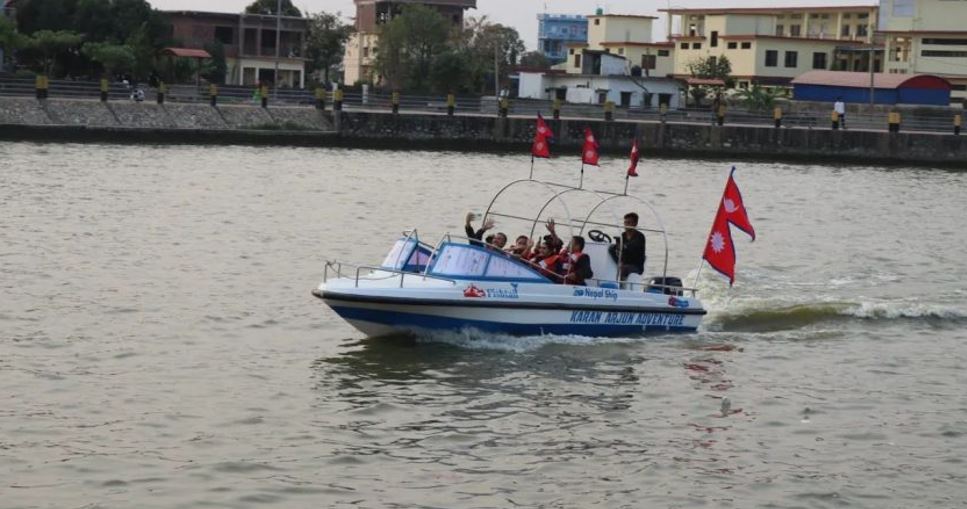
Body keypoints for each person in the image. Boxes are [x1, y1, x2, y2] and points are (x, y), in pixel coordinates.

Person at [609, 212, 646, 283]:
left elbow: (633, 246)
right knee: (611, 248)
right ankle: (619, 265)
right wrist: (617, 248)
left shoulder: (640, 236)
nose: (626, 225)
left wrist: (623, 246)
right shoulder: (623, 235)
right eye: (625, 223)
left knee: (624, 269)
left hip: (636, 266)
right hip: (624, 263)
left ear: (635, 224)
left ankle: (620, 287)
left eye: (629, 223)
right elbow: (618, 249)